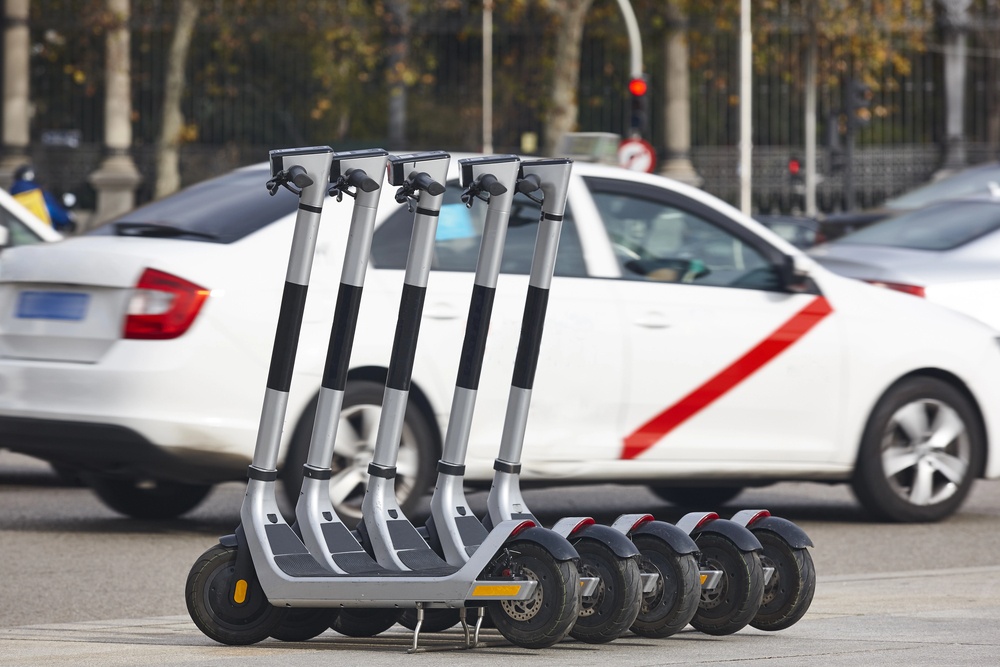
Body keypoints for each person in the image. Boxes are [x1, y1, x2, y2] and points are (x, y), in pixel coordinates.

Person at [9, 164, 76, 232]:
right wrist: (67, 219)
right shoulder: (39, 194)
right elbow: (55, 211)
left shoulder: (10, 197)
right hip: (42, 235)